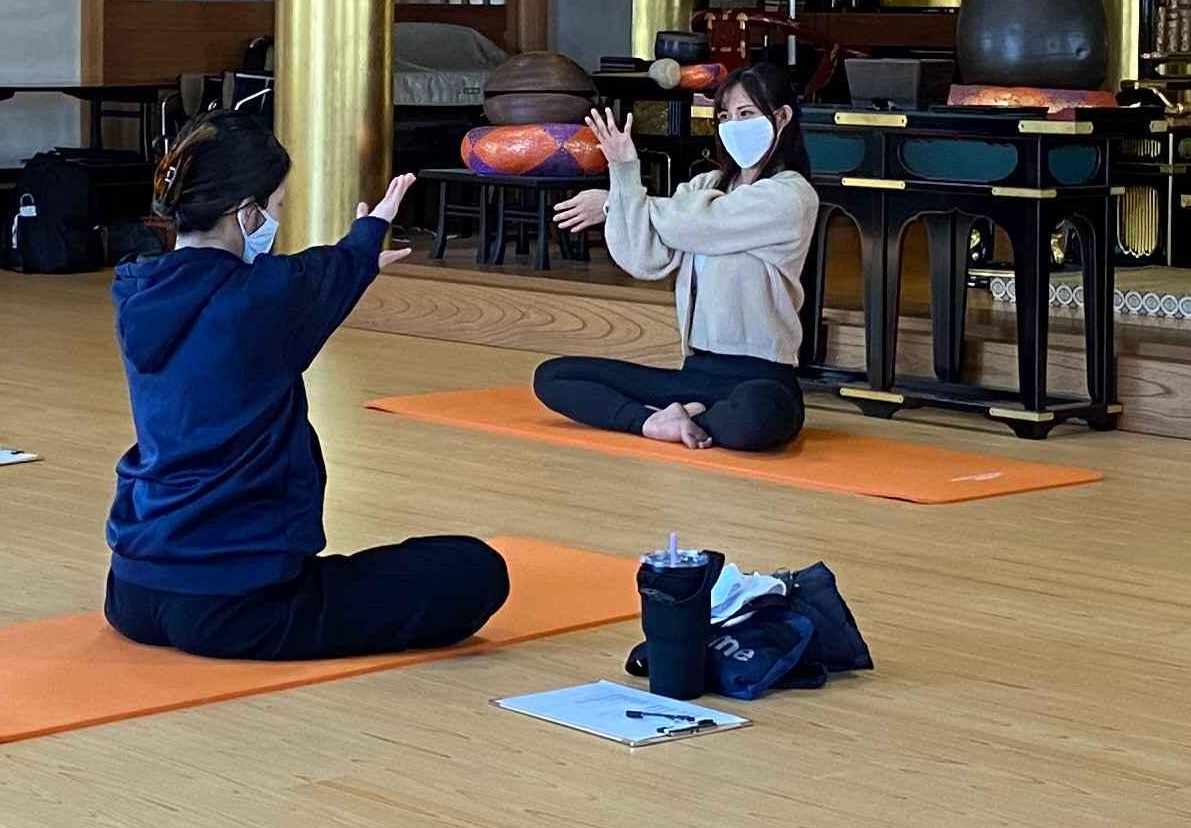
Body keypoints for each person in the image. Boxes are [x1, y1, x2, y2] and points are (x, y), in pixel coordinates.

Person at [104, 113, 508, 664]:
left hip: (132, 593)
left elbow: (319, 276)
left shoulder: (136, 291)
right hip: (237, 605)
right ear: (245, 213)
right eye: (274, 206)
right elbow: (318, 276)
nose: (275, 219)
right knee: (474, 570)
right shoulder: (263, 296)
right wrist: (369, 235)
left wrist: (358, 260)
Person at [534, 68, 821, 454]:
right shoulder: (704, 186)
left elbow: (702, 224)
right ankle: (655, 421)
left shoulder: (792, 196)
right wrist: (623, 169)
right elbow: (644, 257)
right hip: (695, 372)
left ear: (782, 117)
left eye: (746, 114)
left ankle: (694, 417)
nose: (732, 126)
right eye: (724, 117)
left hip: (762, 376)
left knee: (755, 418)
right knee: (553, 376)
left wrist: (614, 203)